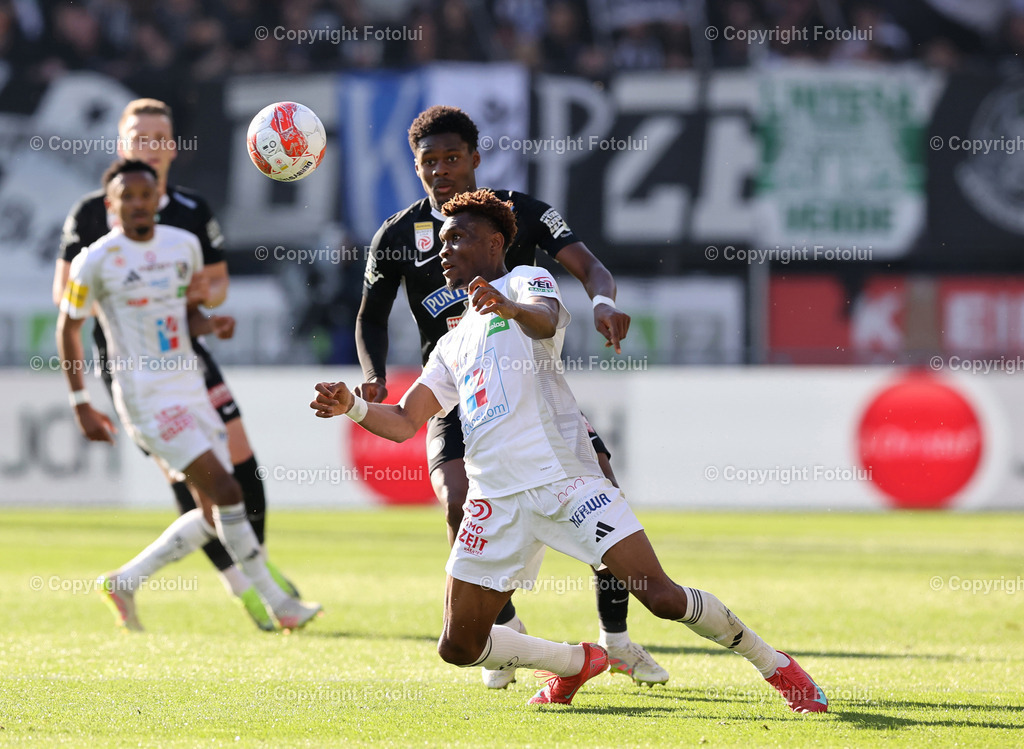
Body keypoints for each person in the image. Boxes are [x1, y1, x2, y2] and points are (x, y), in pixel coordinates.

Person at [313, 190, 827, 712]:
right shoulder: (450, 342)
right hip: (495, 500)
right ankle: (574, 662)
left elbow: (544, 316)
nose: (443, 251)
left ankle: (775, 665)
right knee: (458, 647)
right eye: (441, 241)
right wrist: (351, 406)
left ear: (494, 244)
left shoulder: (523, 281)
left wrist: (509, 306)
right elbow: (403, 421)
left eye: (457, 238)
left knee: (663, 598)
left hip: (564, 482)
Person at [354, 105, 667, 687]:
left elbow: (589, 267)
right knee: (455, 505)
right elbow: (370, 317)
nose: (442, 170)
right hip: (454, 390)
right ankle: (510, 638)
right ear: (416, 167)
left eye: (453, 158)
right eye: (430, 162)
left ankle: (617, 639)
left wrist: (603, 303)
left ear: (475, 158)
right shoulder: (397, 235)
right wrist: (372, 374)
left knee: (601, 487)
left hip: (532, 392)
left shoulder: (521, 213)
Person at [51, 98, 298, 631]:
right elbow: (66, 300)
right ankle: (254, 590)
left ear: (172, 149)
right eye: (140, 137)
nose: (151, 145)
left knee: (238, 473)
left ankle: (146, 579)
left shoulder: (188, 219)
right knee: (202, 483)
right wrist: (131, 288)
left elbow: (208, 292)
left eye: (160, 137)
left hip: (189, 358)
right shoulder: (96, 218)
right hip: (133, 372)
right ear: (123, 144)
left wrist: (198, 312)